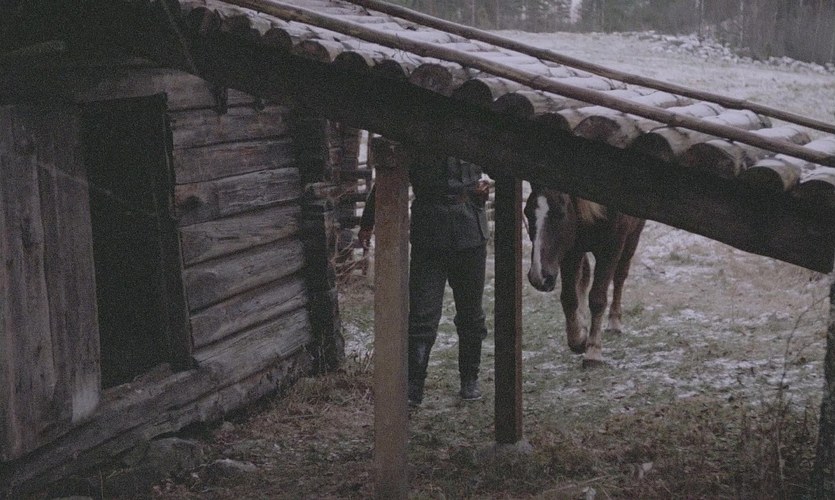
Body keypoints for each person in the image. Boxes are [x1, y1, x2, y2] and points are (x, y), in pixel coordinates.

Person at [358, 147, 491, 406]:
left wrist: (484, 185)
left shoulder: (472, 135)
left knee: (471, 316)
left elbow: (500, 161)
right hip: (430, 237)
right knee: (422, 318)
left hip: (470, 234)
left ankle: (470, 379)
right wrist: (367, 221)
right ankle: (414, 386)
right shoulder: (418, 136)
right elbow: (390, 175)